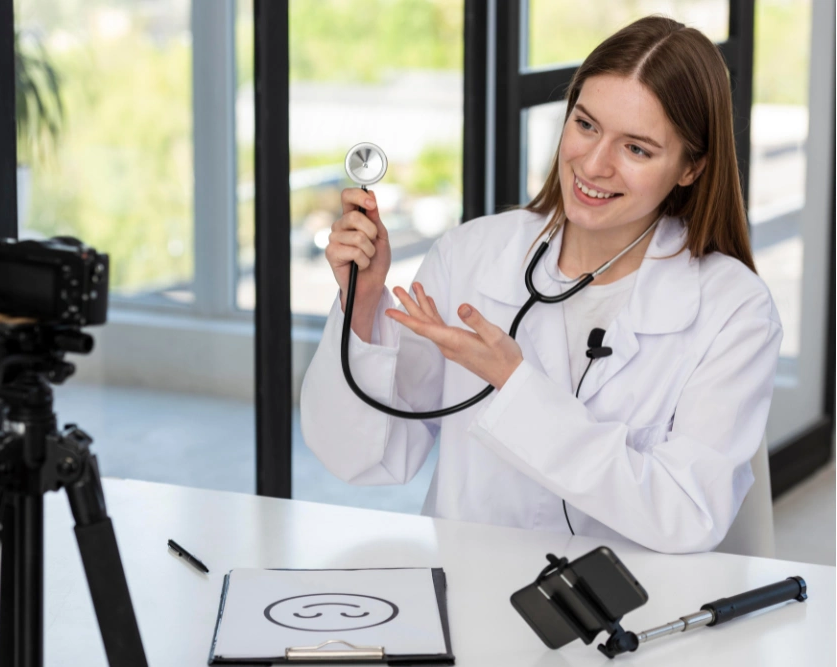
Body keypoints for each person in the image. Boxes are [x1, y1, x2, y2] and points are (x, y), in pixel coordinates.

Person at [299, 15, 783, 554]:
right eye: (586, 124)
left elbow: (686, 513)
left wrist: (515, 383)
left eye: (637, 149)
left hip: (632, 615)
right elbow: (366, 457)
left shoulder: (733, 310)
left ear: (691, 168)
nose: (594, 164)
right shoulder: (472, 256)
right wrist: (360, 305)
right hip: (471, 592)